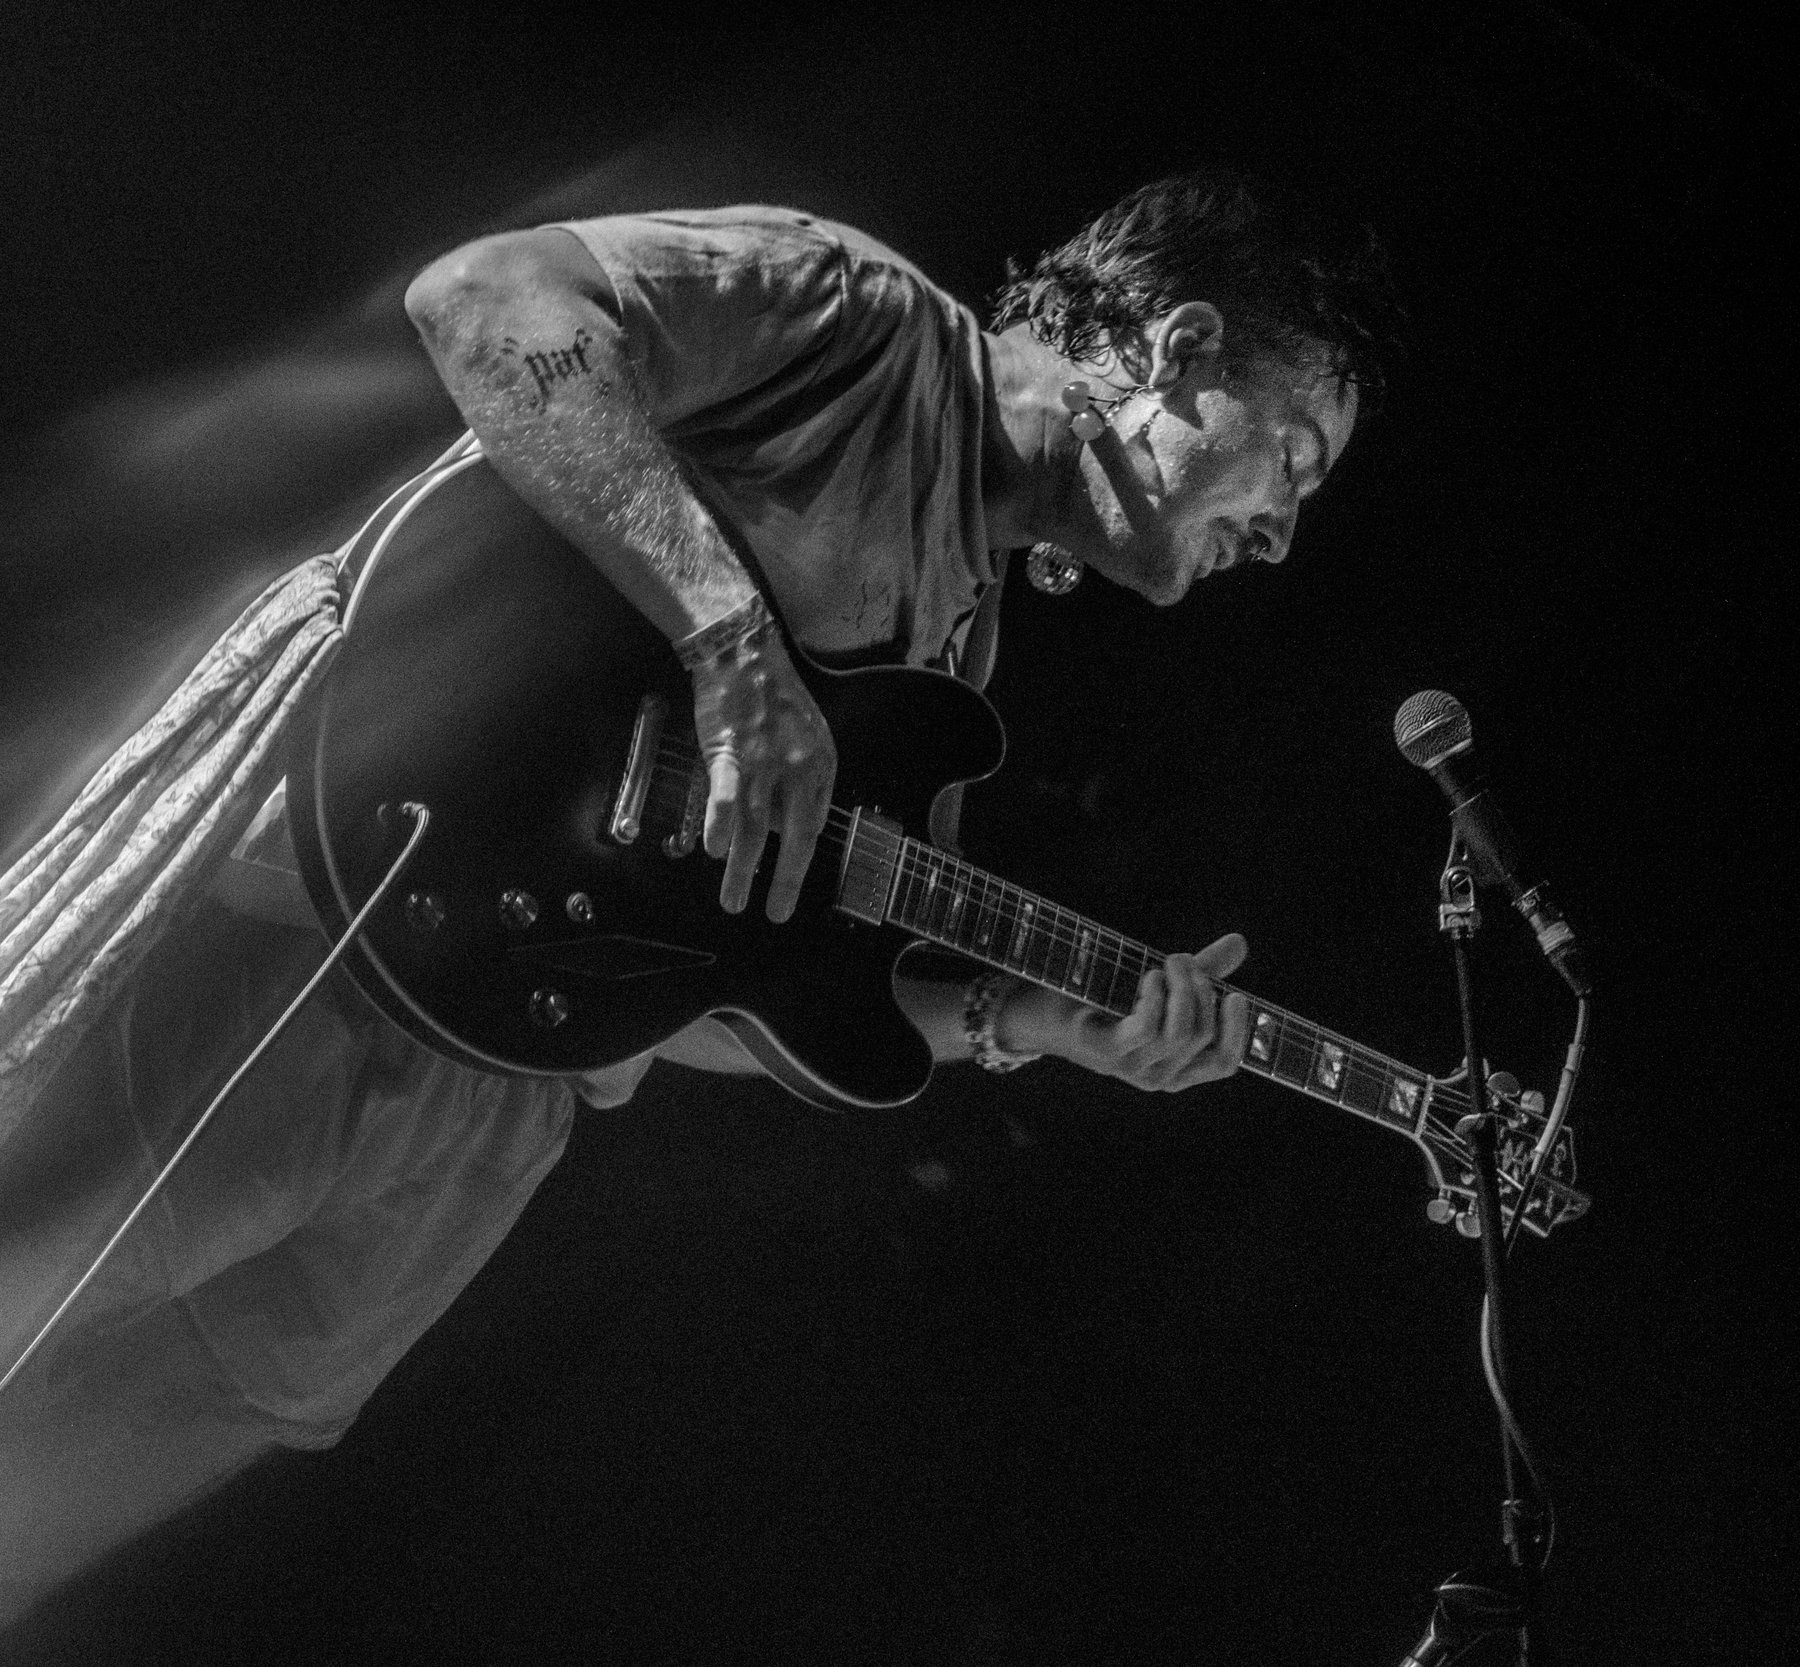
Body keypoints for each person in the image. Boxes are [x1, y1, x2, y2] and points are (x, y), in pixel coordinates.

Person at [0, 171, 1397, 1626]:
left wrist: (1024, 1024)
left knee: (51, 1517)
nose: (1282, 534)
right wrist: (733, 649)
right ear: (1177, 348)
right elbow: (486, 298)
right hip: (327, 948)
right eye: (1292, 462)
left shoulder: (960, 645)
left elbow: (722, 994)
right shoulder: (859, 322)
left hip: (494, 1113)